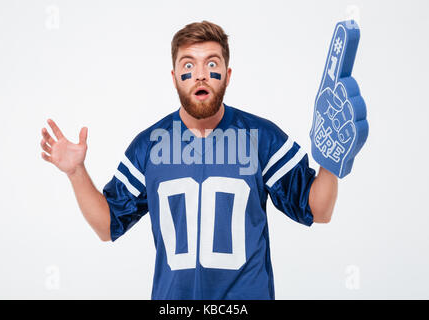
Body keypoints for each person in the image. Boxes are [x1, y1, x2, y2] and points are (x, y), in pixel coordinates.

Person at [40, 20, 338, 300]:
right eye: (188, 65)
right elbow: (107, 226)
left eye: (211, 63)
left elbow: (318, 209)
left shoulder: (260, 137)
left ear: (228, 75)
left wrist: (332, 157)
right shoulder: (149, 145)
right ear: (174, 78)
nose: (200, 74)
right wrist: (76, 172)